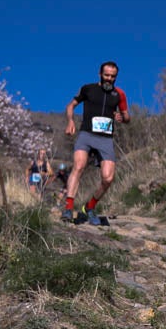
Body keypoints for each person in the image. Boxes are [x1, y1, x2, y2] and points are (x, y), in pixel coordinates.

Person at [63, 61, 130, 225]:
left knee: (108, 179)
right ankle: (68, 208)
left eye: (113, 76)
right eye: (106, 75)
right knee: (78, 166)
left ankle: (89, 207)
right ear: (100, 74)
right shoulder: (88, 89)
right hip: (86, 134)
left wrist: (122, 118)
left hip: (105, 139)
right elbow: (71, 105)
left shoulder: (119, 94)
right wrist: (70, 121)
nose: (109, 79)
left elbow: (127, 116)